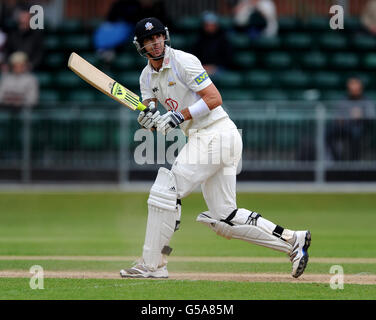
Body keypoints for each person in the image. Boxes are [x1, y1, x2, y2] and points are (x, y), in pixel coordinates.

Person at [119, 17, 311, 279]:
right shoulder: (145, 77)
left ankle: (153, 264)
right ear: (140, 46)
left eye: (158, 37)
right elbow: (152, 112)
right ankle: (293, 240)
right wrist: (148, 120)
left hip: (216, 133)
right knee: (224, 218)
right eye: (148, 41)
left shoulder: (183, 61)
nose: (155, 44)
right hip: (210, 138)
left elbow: (213, 98)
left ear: (165, 37)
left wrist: (179, 115)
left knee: (166, 189)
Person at [326, 78, 375, 161]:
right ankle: (336, 159)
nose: (354, 90)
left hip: (361, 128)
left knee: (355, 133)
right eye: (351, 88)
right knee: (329, 131)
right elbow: (338, 115)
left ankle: (354, 160)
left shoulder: (366, 102)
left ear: (360, 89)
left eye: (356, 88)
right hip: (345, 126)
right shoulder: (344, 101)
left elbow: (372, 116)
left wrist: (362, 115)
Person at [192, 11, 233, 78]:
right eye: (207, 25)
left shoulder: (223, 40)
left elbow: (228, 58)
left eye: (212, 25)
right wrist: (203, 66)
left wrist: (214, 67)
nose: (210, 27)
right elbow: (194, 56)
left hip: (219, 68)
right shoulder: (198, 40)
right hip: (202, 68)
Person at [4, 6, 44, 71]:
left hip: (29, 70)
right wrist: (7, 64)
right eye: (22, 18)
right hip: (12, 69)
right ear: (19, 19)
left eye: (26, 18)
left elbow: (39, 55)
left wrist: (30, 65)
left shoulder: (37, 35)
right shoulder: (12, 34)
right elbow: (7, 51)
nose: (24, 21)